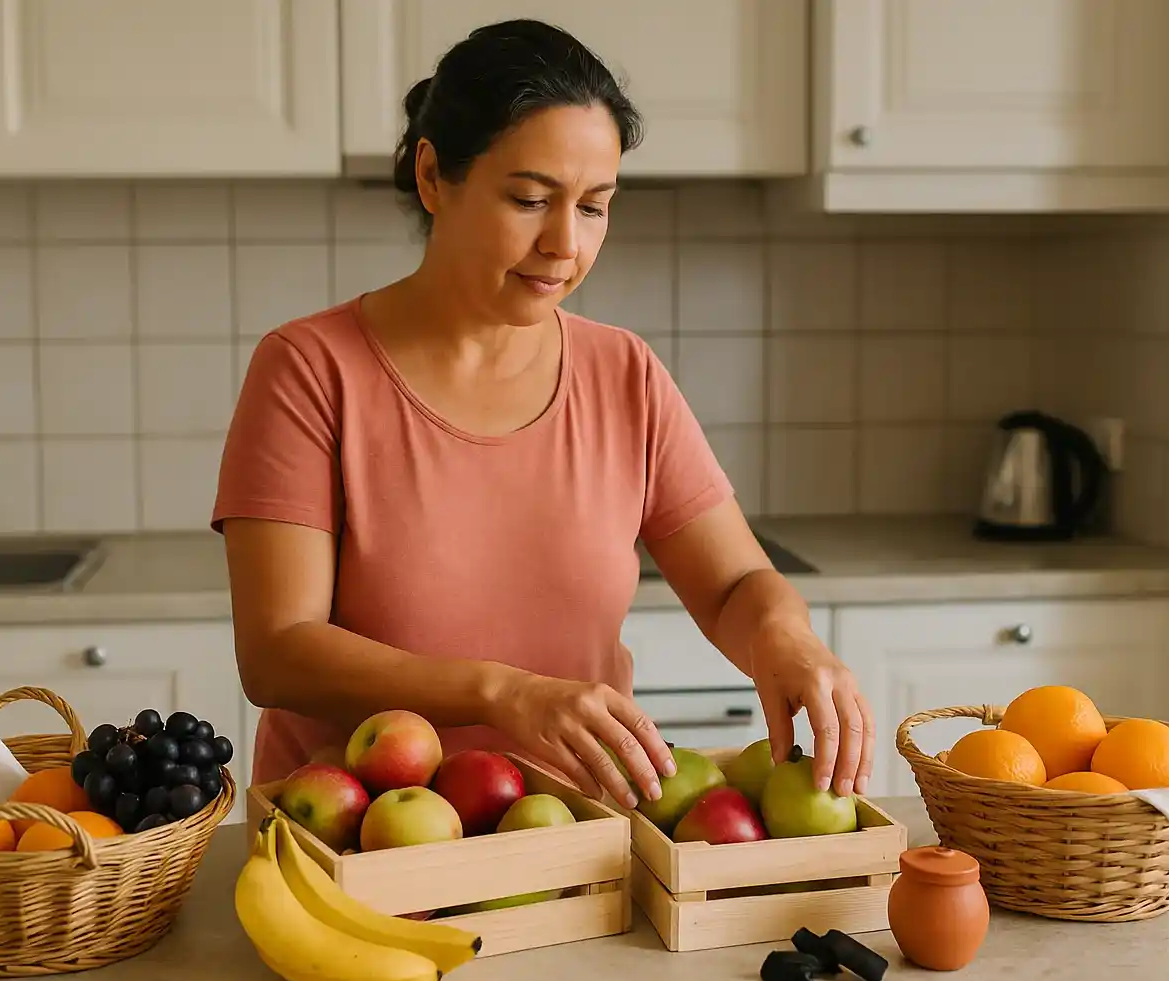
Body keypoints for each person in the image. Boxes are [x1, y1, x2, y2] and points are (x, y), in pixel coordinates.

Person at [212, 18, 874, 809]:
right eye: (530, 199)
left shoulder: (623, 373)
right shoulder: (311, 370)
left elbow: (734, 584)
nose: (565, 243)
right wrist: (505, 693)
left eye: (595, 207)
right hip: (359, 849)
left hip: (579, 835)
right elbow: (278, 653)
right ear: (433, 176)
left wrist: (785, 639)